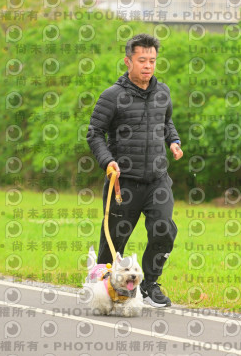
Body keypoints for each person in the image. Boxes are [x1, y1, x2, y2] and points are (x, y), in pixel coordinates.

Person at [86, 33, 183, 307]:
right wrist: (107, 161)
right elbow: (95, 133)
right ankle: (104, 288)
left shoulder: (163, 92)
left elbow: (167, 122)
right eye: (142, 60)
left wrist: (173, 141)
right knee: (112, 245)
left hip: (157, 180)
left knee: (164, 230)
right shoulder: (112, 96)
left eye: (152, 60)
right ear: (128, 61)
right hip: (123, 184)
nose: (148, 65)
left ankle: (149, 284)